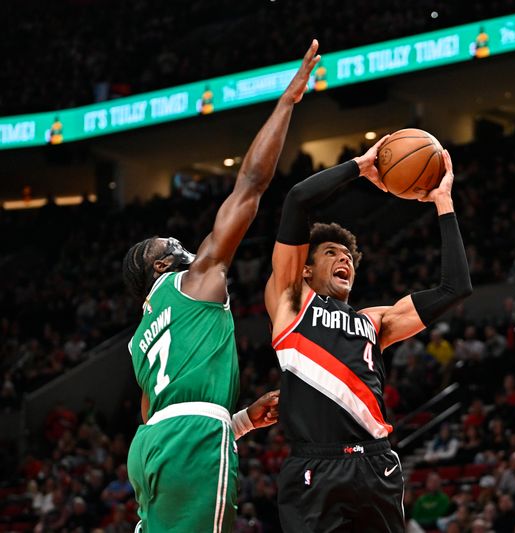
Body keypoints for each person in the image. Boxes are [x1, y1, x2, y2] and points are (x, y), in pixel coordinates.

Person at [121, 40, 321, 533]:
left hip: (149, 449)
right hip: (193, 440)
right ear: (162, 263)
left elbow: (156, 417)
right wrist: (286, 102)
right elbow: (250, 185)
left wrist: (245, 421)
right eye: (171, 241)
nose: (184, 242)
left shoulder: (138, 341)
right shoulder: (195, 278)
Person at [264, 141, 471, 531]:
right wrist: (360, 167)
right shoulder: (291, 300)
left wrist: (443, 203)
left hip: (376, 462)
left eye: (348, 256)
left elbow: (455, 289)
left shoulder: (375, 322)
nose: (344, 258)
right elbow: (296, 200)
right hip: (316, 463)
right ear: (305, 270)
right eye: (330, 253)